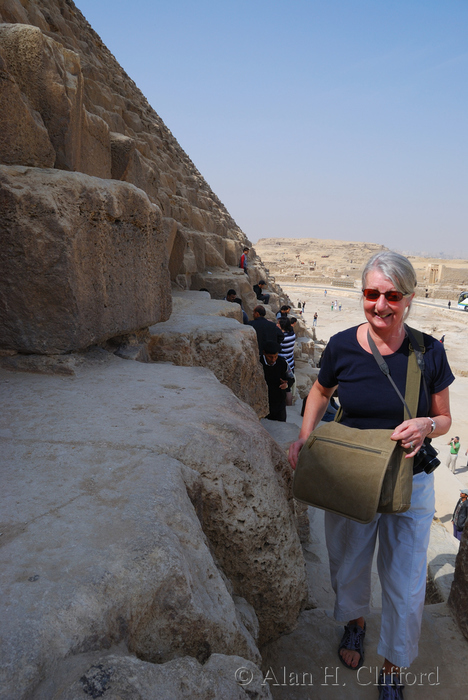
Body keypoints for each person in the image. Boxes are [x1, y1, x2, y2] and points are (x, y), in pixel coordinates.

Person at [288, 251, 453, 700]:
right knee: (348, 563)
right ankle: (355, 625)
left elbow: (445, 419)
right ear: (362, 294)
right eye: (372, 293)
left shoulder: (428, 351)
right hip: (353, 475)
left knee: (405, 579)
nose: (381, 304)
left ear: (409, 298)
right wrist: (305, 437)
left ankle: (394, 667)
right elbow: (320, 392)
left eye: (392, 295)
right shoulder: (342, 345)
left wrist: (426, 425)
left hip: (410, 478)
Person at [261, 341, 294, 421]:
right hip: (263, 403)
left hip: (279, 404)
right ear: (264, 353)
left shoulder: (282, 363)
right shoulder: (259, 363)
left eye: (275, 356)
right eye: (270, 357)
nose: (273, 360)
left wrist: (286, 384)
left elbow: (291, 378)